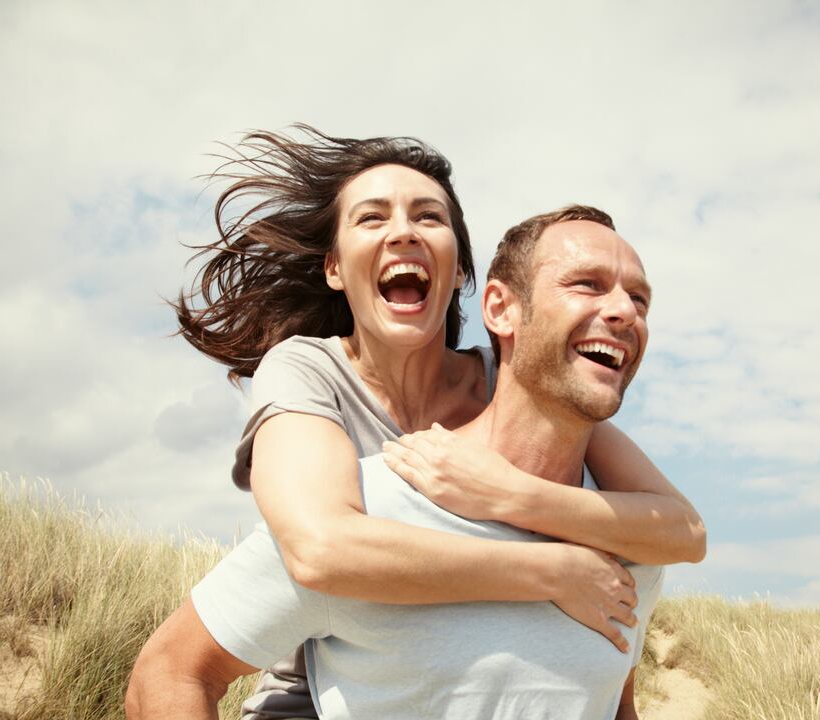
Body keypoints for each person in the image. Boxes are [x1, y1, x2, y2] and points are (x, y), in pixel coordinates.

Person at [149, 127, 705, 717]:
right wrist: (552, 571)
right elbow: (320, 548)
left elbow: (682, 532)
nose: (404, 231)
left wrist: (508, 494)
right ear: (335, 269)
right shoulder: (308, 371)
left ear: (461, 270)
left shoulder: (514, 380)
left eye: (429, 216)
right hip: (310, 688)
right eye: (371, 218)